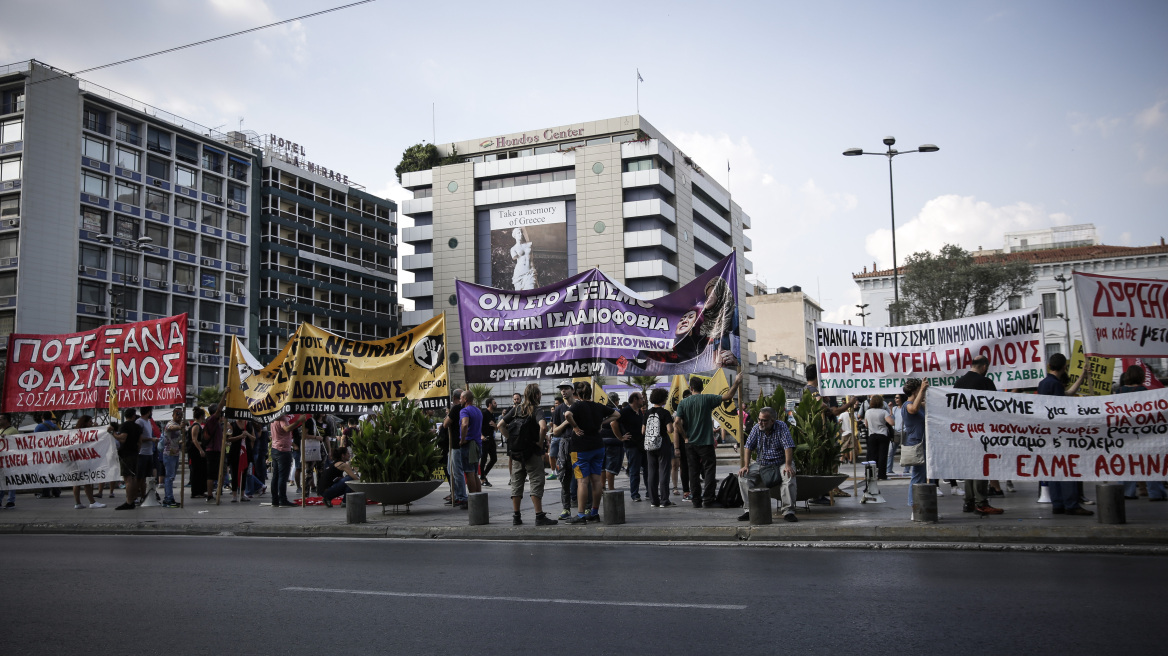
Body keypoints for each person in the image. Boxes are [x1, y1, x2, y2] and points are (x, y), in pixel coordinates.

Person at [674, 372, 743, 508]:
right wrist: (736, 382)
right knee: (709, 470)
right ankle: (708, 499)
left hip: (690, 443)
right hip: (706, 442)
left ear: (691, 388)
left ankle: (696, 500)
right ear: (702, 388)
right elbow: (728, 396)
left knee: (693, 471)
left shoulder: (683, 403)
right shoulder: (707, 399)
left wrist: (685, 437)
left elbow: (677, 423)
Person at [1037, 353, 1091, 516]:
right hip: (1060, 433)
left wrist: (1082, 376)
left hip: (1047, 433)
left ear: (1049, 366)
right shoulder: (1056, 385)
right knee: (1066, 467)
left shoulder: (1043, 383)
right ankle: (1071, 503)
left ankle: (1058, 503)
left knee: (1054, 467)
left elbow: (1067, 393)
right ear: (1064, 367)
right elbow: (1063, 408)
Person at [500, 383, 558, 526]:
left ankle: (516, 516)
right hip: (532, 452)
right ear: (537, 395)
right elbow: (543, 427)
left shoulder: (516, 409)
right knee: (536, 481)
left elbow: (500, 425)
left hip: (517, 453)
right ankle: (539, 516)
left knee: (516, 482)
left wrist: (511, 439)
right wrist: (540, 442)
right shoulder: (537, 410)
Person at [953, 355, 1004, 515]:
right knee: (982, 466)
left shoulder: (958, 383)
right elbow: (994, 407)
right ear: (984, 367)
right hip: (981, 431)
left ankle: (968, 502)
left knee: (969, 467)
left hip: (964, 431)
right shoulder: (985, 382)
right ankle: (981, 502)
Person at [564, 381, 621, 524]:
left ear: (577, 393)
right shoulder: (598, 406)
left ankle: (581, 515)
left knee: (582, 481)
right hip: (597, 446)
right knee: (596, 480)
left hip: (580, 448)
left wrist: (575, 427)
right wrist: (601, 423)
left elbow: (567, 414)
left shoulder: (577, 405)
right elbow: (616, 414)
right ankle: (594, 512)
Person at [804, 364, 858, 505]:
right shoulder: (812, 390)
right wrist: (849, 404)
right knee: (826, 461)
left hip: (818, 432)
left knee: (827, 461)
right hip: (821, 432)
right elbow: (828, 409)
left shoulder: (807, 389)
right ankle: (821, 493)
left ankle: (826, 491)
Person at [736, 406, 798, 522]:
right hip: (762, 463)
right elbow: (748, 447)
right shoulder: (756, 428)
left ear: (772, 421)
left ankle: (788, 511)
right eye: (759, 419)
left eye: (764, 420)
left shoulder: (781, 426)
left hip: (780, 462)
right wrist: (746, 466)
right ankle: (749, 510)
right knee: (743, 476)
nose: (760, 422)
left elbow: (788, 447)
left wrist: (788, 465)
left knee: (788, 475)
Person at [1117, 365, 1166, 501]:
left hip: (1125, 432)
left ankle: (1127, 491)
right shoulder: (1143, 391)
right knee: (1150, 462)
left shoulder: (1119, 391)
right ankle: (1156, 493)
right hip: (1143, 432)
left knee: (1127, 462)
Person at [643, 388, 677, 508]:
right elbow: (670, 429)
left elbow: (643, 431)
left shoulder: (647, 413)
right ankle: (664, 500)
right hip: (662, 444)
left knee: (652, 472)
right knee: (664, 471)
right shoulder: (665, 413)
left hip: (649, 445)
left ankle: (654, 500)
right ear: (663, 399)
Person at [551, 380, 579, 519]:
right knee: (564, 478)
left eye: (566, 388)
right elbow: (555, 432)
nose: (563, 391)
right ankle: (566, 509)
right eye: (561, 389)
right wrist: (567, 422)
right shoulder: (558, 409)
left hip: (579, 445)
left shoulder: (579, 406)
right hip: (564, 445)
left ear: (572, 390)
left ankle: (586, 508)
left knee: (582, 478)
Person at [69, 415, 106, 509]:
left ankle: (78, 503)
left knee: (76, 482)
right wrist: (96, 429)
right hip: (83, 460)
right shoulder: (85, 432)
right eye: (90, 421)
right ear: (84, 422)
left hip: (75, 460)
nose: (91, 423)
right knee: (87, 482)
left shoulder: (74, 432)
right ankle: (92, 502)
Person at [270, 413, 306, 508]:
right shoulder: (282, 418)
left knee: (276, 476)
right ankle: (282, 499)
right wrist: (298, 421)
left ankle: (275, 500)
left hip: (275, 448)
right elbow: (286, 428)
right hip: (283, 450)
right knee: (282, 476)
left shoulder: (273, 418)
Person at [903, 378, 928, 513]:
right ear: (915, 391)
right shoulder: (907, 405)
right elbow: (913, 409)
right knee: (917, 476)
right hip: (916, 443)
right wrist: (922, 389)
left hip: (922, 442)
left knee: (923, 476)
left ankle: (921, 507)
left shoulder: (919, 404)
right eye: (919, 389)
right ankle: (914, 507)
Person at [111, 409, 143, 510]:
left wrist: (113, 434)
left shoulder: (125, 425)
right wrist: (137, 450)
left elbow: (122, 438)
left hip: (126, 454)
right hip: (135, 453)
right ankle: (133, 498)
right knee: (133, 478)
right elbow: (140, 442)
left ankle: (129, 501)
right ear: (133, 416)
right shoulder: (138, 427)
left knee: (127, 478)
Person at [619, 392, 648, 502]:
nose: (643, 400)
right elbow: (613, 423)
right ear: (635, 399)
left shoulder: (639, 411)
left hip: (642, 444)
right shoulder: (625, 411)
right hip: (632, 445)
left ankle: (649, 492)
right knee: (634, 471)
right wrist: (620, 437)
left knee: (647, 470)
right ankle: (635, 494)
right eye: (641, 398)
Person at [442, 390, 467, 509]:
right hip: (455, 445)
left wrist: (448, 415)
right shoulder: (464, 409)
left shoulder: (456, 408)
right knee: (450, 470)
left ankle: (461, 496)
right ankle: (456, 495)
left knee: (456, 471)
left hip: (456, 445)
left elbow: (445, 424)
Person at [863, 395, 894, 480]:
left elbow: (866, 425)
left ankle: (871, 475)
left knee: (872, 456)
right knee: (882, 456)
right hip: (883, 435)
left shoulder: (868, 412)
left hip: (872, 435)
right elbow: (892, 423)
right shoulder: (884, 412)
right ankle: (882, 475)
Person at [459, 390, 484, 495]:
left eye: (461, 398)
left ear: (465, 399)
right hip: (478, 444)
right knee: (474, 473)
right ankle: (478, 497)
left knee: (469, 473)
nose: (460, 400)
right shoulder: (478, 411)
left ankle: (473, 498)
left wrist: (462, 440)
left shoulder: (464, 411)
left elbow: (464, 424)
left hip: (469, 445)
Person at [600, 392, 625, 491]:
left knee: (602, 466)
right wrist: (621, 437)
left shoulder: (601, 410)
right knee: (611, 467)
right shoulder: (616, 411)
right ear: (616, 401)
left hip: (601, 441)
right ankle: (611, 489)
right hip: (614, 442)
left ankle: (602, 486)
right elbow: (613, 423)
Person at [160, 408, 185, 508]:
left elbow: (176, 440)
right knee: (169, 477)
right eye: (177, 414)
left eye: (181, 414)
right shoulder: (171, 424)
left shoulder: (179, 426)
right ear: (173, 415)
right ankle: (168, 499)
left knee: (171, 477)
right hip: (168, 454)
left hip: (175, 454)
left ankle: (170, 497)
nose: (179, 416)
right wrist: (180, 427)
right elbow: (170, 428)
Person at [226, 418, 255, 503]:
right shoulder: (232, 425)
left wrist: (247, 434)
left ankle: (242, 494)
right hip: (235, 452)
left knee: (244, 472)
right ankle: (234, 494)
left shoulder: (249, 424)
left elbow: (254, 438)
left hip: (246, 452)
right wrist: (240, 436)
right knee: (234, 473)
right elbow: (229, 438)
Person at [204, 401, 226, 502]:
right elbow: (219, 409)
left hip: (217, 450)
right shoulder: (212, 420)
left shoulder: (216, 422)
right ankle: (210, 495)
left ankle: (217, 491)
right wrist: (224, 396)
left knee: (218, 472)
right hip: (212, 450)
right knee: (211, 474)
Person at [0, 413, 20, 508]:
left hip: (10, 460)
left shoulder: (13, 430)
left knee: (11, 481)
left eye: (1, 419)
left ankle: (11, 501)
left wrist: (8, 439)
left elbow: (18, 443)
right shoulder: (0, 430)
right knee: (1, 481)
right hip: (2, 461)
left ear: (6, 420)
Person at [188, 407, 208, 499]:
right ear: (201, 416)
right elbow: (194, 439)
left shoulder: (198, 425)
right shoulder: (196, 426)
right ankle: (196, 491)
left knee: (201, 471)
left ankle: (200, 490)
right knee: (196, 471)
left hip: (198, 451)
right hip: (195, 452)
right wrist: (200, 449)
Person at [479, 398, 499, 487]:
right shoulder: (484, 413)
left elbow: (496, 428)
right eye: (494, 403)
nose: (496, 404)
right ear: (490, 404)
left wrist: (495, 425)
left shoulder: (492, 415)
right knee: (483, 459)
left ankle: (484, 475)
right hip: (484, 439)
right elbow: (478, 425)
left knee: (494, 459)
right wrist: (481, 436)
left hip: (491, 439)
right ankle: (482, 479)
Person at [839, 397, 857, 465]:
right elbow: (856, 422)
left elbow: (838, 422)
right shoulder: (853, 414)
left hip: (845, 433)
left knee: (843, 447)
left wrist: (840, 429)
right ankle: (851, 460)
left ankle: (841, 459)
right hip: (852, 432)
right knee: (851, 447)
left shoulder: (842, 414)